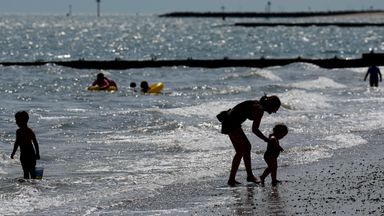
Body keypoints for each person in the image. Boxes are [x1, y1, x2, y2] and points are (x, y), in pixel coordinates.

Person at [217, 94, 281, 186]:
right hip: (231, 123)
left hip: (228, 120)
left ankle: (231, 179)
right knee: (247, 146)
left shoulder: (257, 104)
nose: (275, 111)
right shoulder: (259, 109)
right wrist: (266, 139)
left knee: (240, 151)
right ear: (271, 105)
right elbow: (255, 129)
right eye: (276, 108)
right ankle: (250, 176)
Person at [10, 111, 40, 179]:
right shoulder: (27, 131)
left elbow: (17, 143)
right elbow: (35, 143)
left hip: (27, 154)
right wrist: (37, 153)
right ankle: (32, 185)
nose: (16, 122)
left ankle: (27, 186)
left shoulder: (23, 131)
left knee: (27, 172)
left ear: (22, 121)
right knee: (30, 171)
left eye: (17, 120)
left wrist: (13, 153)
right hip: (28, 154)